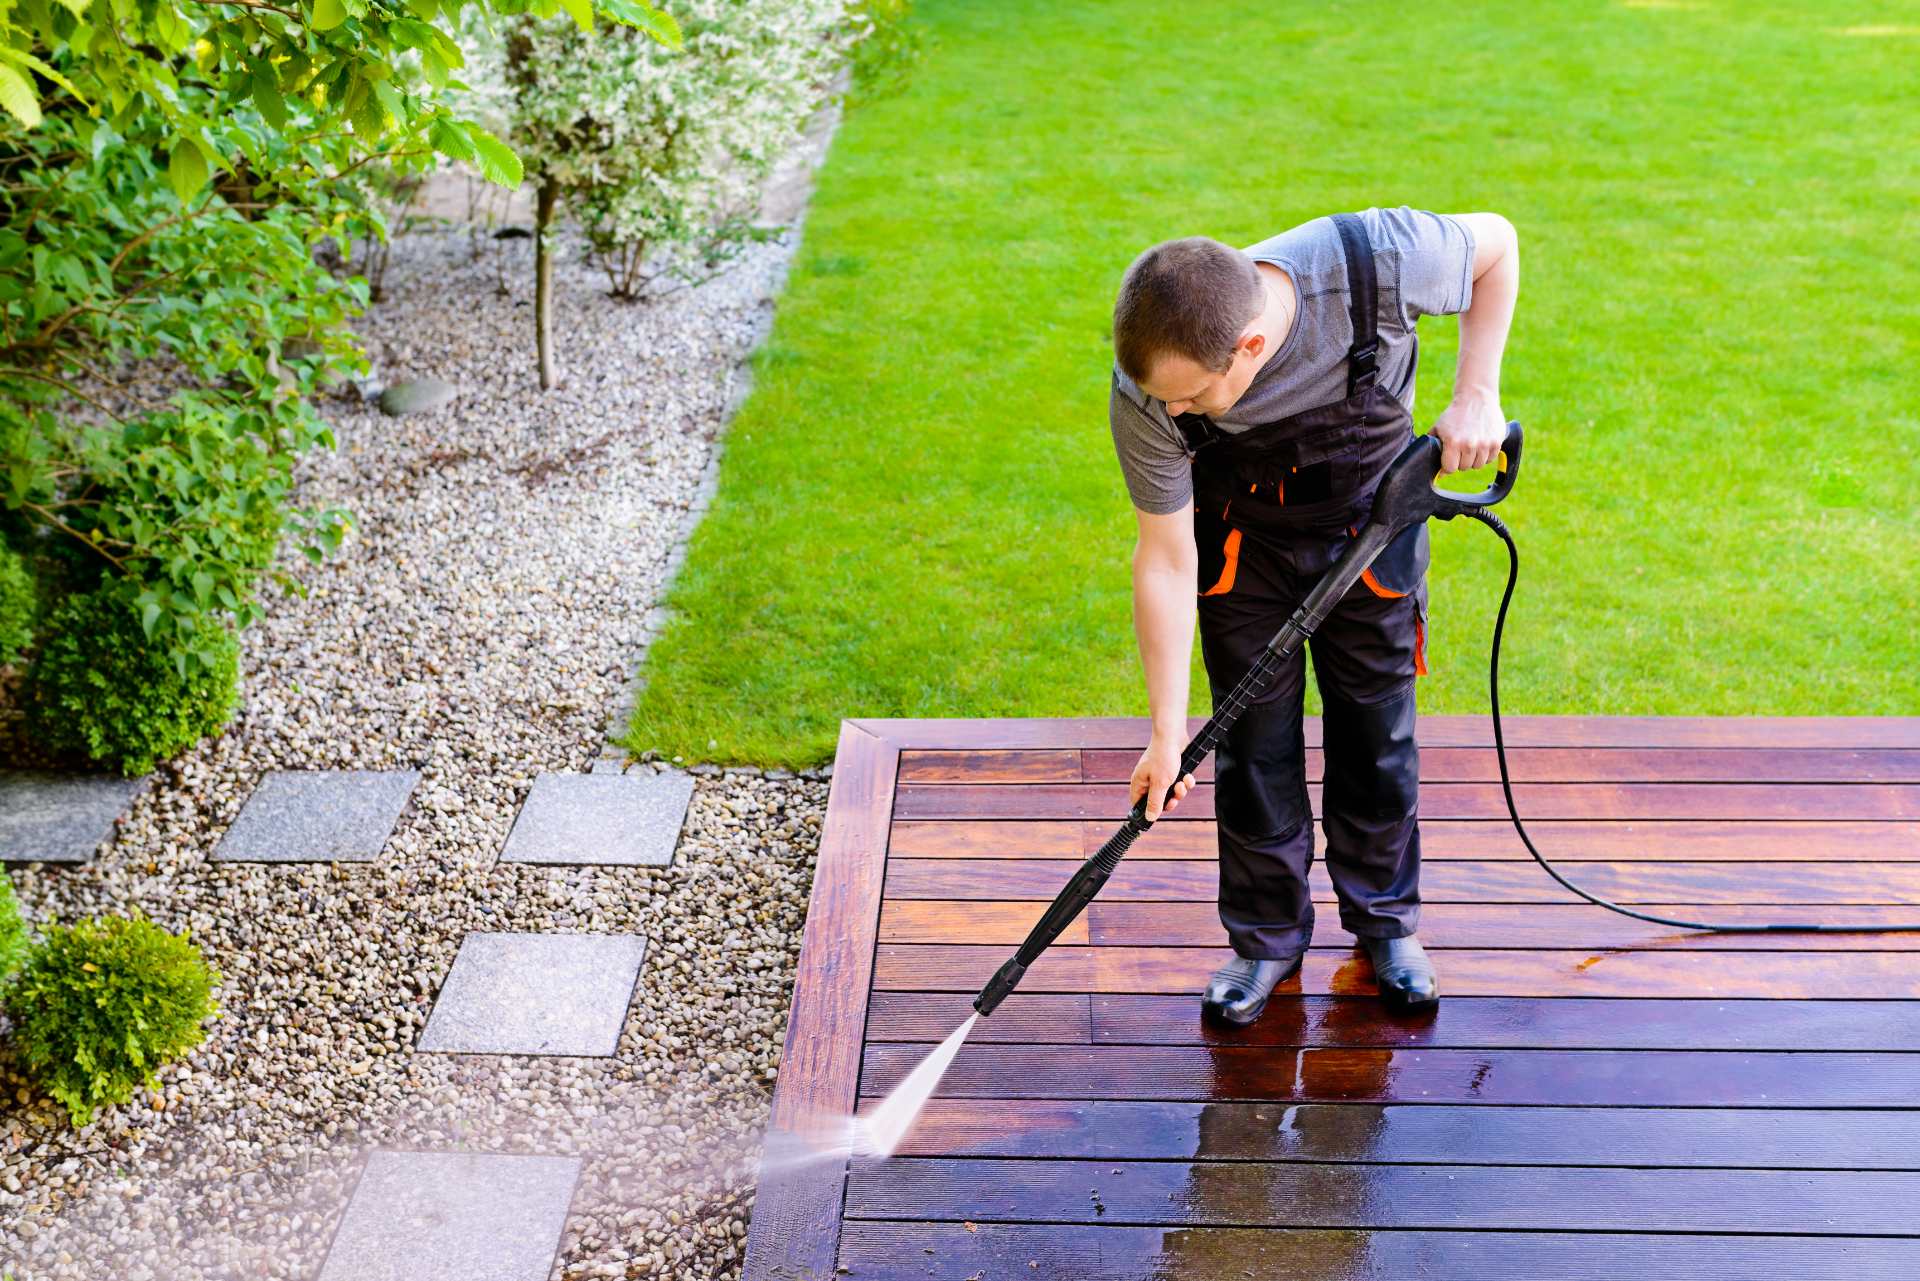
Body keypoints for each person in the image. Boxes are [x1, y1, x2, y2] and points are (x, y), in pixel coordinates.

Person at [1109, 205, 1519, 1021]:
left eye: (1192, 399)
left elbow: (1498, 244)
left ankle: (1387, 925)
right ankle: (1264, 939)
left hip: (1373, 528)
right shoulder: (1149, 391)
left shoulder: (1381, 258)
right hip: (1241, 547)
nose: (1176, 413)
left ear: (1249, 347)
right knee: (1251, 747)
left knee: (1376, 734)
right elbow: (1164, 555)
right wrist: (1164, 732)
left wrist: (1478, 392)